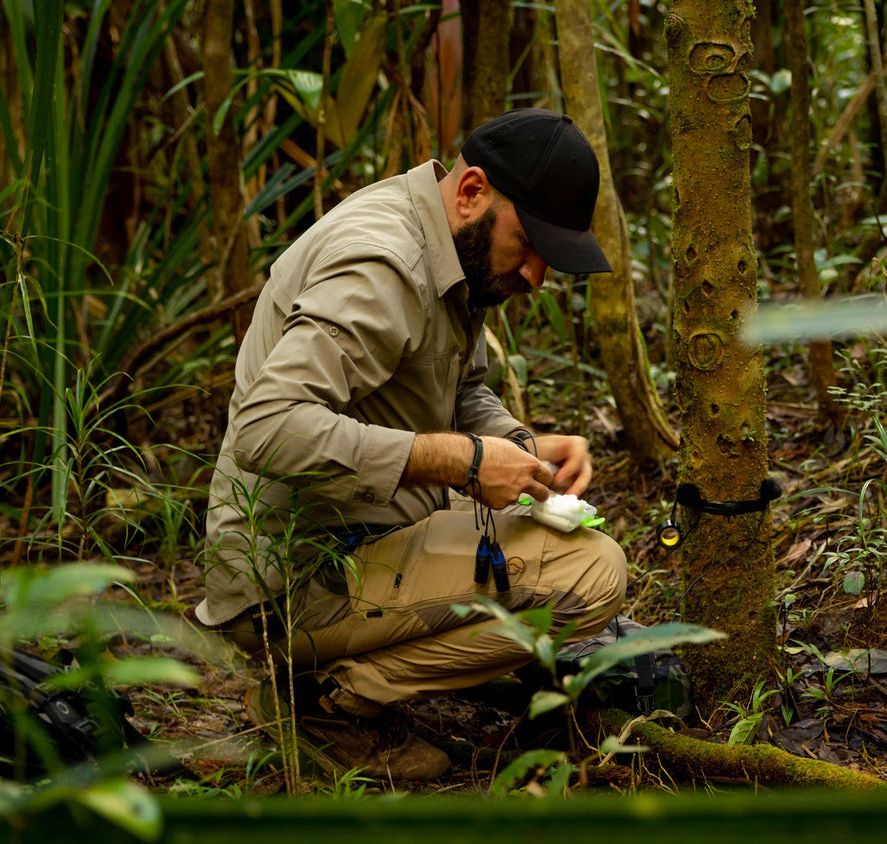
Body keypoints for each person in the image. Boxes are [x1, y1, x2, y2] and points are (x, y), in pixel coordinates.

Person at [193, 109, 628, 781]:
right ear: (472, 191)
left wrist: (518, 445)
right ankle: (324, 707)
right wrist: (463, 461)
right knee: (590, 572)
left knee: (556, 543)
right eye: (532, 243)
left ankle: (347, 677)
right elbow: (267, 425)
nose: (538, 276)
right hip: (291, 578)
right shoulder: (383, 263)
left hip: (362, 536)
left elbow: (460, 392)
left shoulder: (453, 247)